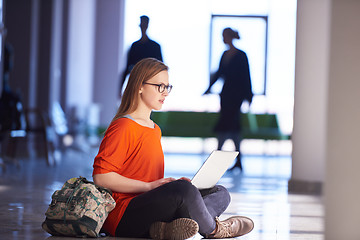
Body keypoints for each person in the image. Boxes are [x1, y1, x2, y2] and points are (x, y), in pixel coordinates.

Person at [93, 58, 254, 239]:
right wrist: (150, 187)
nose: (165, 93)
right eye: (159, 86)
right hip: (124, 216)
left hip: (149, 207)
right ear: (139, 86)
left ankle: (164, 229)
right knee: (184, 191)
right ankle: (215, 230)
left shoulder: (155, 129)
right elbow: (101, 177)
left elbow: (148, 177)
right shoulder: (123, 126)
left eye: (167, 87)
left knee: (220, 193)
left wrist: (166, 186)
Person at [204, 27, 253, 172]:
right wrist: (208, 88)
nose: (223, 38)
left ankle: (227, 159)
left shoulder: (241, 55)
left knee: (232, 126)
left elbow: (246, 76)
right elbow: (219, 74)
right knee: (227, 125)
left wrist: (248, 95)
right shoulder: (224, 54)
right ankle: (229, 159)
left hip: (236, 96)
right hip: (226, 95)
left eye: (224, 35)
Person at [119, 15, 163, 98]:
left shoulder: (155, 46)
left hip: (151, 83)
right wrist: (120, 89)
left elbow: (161, 68)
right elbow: (128, 68)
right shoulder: (135, 46)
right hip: (137, 83)